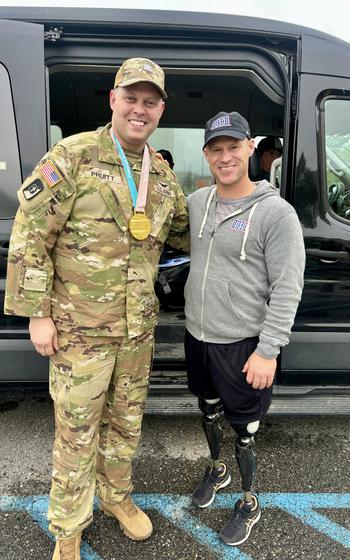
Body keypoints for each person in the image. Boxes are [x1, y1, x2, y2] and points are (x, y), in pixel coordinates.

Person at [4, 57, 189, 560]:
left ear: (160, 110)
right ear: (113, 100)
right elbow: (30, 233)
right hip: (78, 331)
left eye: (150, 102)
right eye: (131, 98)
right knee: (77, 431)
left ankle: (116, 498)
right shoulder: (73, 156)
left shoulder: (166, 179)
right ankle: (67, 526)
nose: (139, 109)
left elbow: (181, 237)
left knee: (125, 425)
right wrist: (37, 314)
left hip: (136, 333)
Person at [184, 111, 305, 546]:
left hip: (243, 346)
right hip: (198, 338)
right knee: (208, 409)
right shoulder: (197, 203)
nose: (225, 156)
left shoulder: (277, 214)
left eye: (233, 146)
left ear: (250, 147)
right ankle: (216, 471)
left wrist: (268, 350)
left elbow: (288, 288)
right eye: (216, 149)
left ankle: (249, 501)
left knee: (245, 431)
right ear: (206, 155)